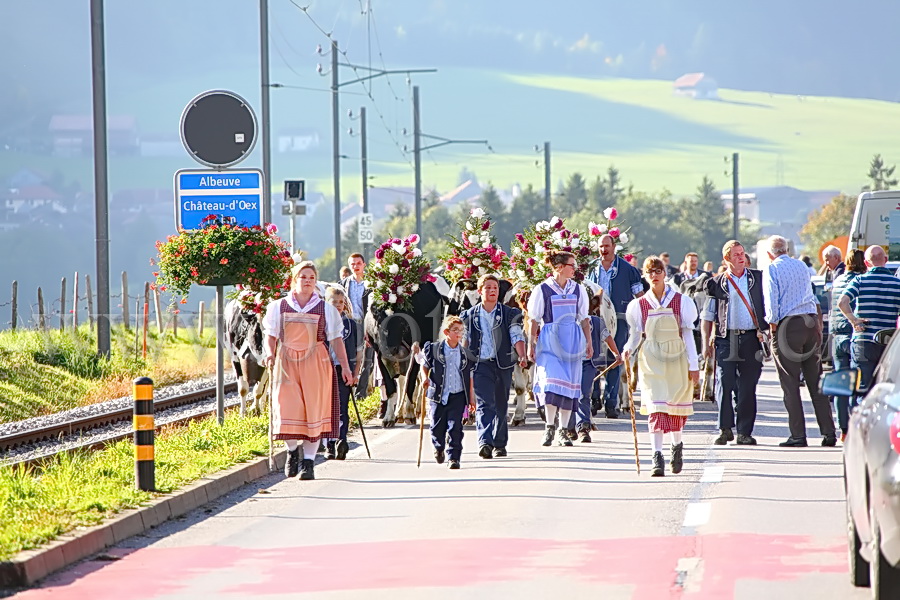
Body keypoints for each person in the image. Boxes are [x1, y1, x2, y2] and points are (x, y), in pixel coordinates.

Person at [263, 261, 355, 480]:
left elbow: (336, 340)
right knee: (287, 409)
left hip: (316, 362)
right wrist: (269, 352)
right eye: (303, 277)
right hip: (287, 363)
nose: (307, 281)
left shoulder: (326, 309)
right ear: (295, 279)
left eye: (311, 278)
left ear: (316, 282)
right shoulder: (278, 306)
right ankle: (292, 451)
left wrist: (345, 367)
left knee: (313, 411)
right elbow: (271, 335)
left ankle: (309, 463)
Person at [624, 256, 699, 477]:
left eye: (658, 271)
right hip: (651, 360)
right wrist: (627, 349)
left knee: (674, 407)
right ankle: (657, 456)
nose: (654, 275)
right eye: (650, 272)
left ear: (665, 273)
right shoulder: (638, 305)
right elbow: (636, 336)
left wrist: (694, 365)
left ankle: (676, 446)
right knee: (656, 407)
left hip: (677, 359)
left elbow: (687, 334)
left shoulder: (681, 301)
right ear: (645, 276)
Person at [763, 235, 836, 447]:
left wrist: (772, 325)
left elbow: (771, 301)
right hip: (810, 322)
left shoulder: (772, 268)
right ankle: (828, 432)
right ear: (787, 249)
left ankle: (798, 435)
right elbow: (810, 294)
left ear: (770, 254)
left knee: (790, 382)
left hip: (788, 325)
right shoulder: (802, 267)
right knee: (815, 380)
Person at [701, 240, 767, 445]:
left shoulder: (758, 278)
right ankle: (725, 428)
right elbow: (708, 315)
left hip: (751, 338)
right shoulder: (716, 282)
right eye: (736, 254)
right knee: (724, 382)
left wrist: (767, 332)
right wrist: (705, 344)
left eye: (742, 253)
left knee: (748, 387)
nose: (741, 257)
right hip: (726, 338)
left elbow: (769, 306)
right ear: (726, 259)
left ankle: (744, 432)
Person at [528, 251, 593, 447]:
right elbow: (533, 319)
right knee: (549, 383)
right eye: (571, 265)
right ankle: (549, 427)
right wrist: (531, 343)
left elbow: (584, 318)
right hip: (550, 340)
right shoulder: (543, 289)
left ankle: (563, 430)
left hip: (572, 340)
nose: (574, 269)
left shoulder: (578, 289)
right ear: (559, 267)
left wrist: (588, 342)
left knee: (569, 387)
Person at [461, 274, 527, 459]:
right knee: (484, 404)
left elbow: (516, 336)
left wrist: (521, 354)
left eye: (495, 288)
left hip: (503, 364)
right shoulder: (468, 315)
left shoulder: (509, 314)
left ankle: (499, 444)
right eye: (488, 287)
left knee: (500, 404)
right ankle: (485, 442)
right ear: (480, 291)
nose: (492, 291)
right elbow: (464, 340)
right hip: (480, 365)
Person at [588, 235, 643, 418]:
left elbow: (640, 296)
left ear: (614, 247)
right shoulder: (590, 269)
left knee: (616, 358)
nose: (603, 250)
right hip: (594, 320)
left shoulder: (628, 270)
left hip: (619, 318)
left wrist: (642, 320)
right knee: (593, 357)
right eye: (601, 246)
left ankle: (612, 402)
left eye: (606, 246)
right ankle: (594, 399)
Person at [414, 316, 475, 470]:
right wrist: (425, 378)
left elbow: (470, 377)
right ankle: (439, 447)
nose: (459, 333)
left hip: (458, 395)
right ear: (447, 332)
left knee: (456, 427)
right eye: (455, 330)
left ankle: (454, 457)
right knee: (436, 426)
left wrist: (472, 399)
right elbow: (424, 365)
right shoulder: (434, 349)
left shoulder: (466, 354)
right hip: (438, 395)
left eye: (461, 331)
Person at [837, 245, 900, 393]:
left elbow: (842, 302)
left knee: (862, 389)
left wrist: (854, 320)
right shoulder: (897, 284)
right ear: (885, 260)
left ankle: (860, 415)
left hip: (863, 340)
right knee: (887, 390)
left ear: (866, 263)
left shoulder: (859, 280)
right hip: (889, 343)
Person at [571, 291, 622, 442]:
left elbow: (607, 337)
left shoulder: (596, 321)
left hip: (589, 362)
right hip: (569, 363)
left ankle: (583, 428)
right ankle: (568, 427)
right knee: (568, 395)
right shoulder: (567, 322)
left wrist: (616, 354)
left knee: (583, 393)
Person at [829, 249, 866, 440]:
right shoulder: (862, 281)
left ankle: (843, 429)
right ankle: (854, 427)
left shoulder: (838, 281)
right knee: (857, 384)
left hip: (837, 337)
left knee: (841, 386)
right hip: (855, 335)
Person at [324, 287, 363, 460]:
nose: (338, 306)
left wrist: (356, 373)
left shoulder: (351, 324)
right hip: (324, 369)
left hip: (343, 369)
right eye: (334, 302)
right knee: (326, 408)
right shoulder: (321, 322)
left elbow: (358, 351)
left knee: (342, 407)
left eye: (341, 302)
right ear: (326, 303)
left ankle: (342, 439)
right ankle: (329, 444)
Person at [341, 253, 374, 402]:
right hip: (348, 323)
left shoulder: (371, 284)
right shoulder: (343, 284)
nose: (356, 266)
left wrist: (369, 328)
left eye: (358, 263)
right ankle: (348, 385)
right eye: (352, 264)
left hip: (365, 323)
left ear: (364, 264)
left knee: (367, 357)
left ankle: (361, 392)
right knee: (349, 354)